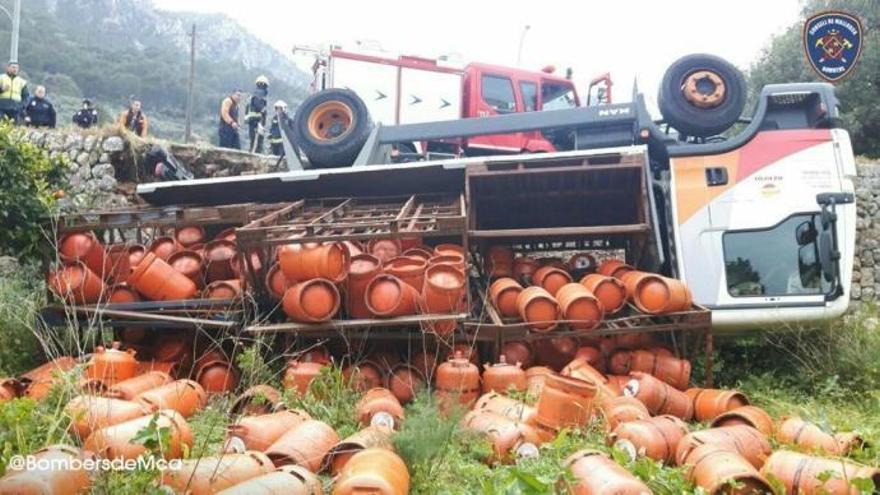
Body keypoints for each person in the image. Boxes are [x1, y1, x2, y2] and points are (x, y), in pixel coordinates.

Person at [245, 75, 269, 153]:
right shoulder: (259, 94)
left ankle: (253, 154)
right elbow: (260, 108)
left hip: (254, 122)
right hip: (257, 122)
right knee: (257, 143)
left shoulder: (255, 95)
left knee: (255, 142)